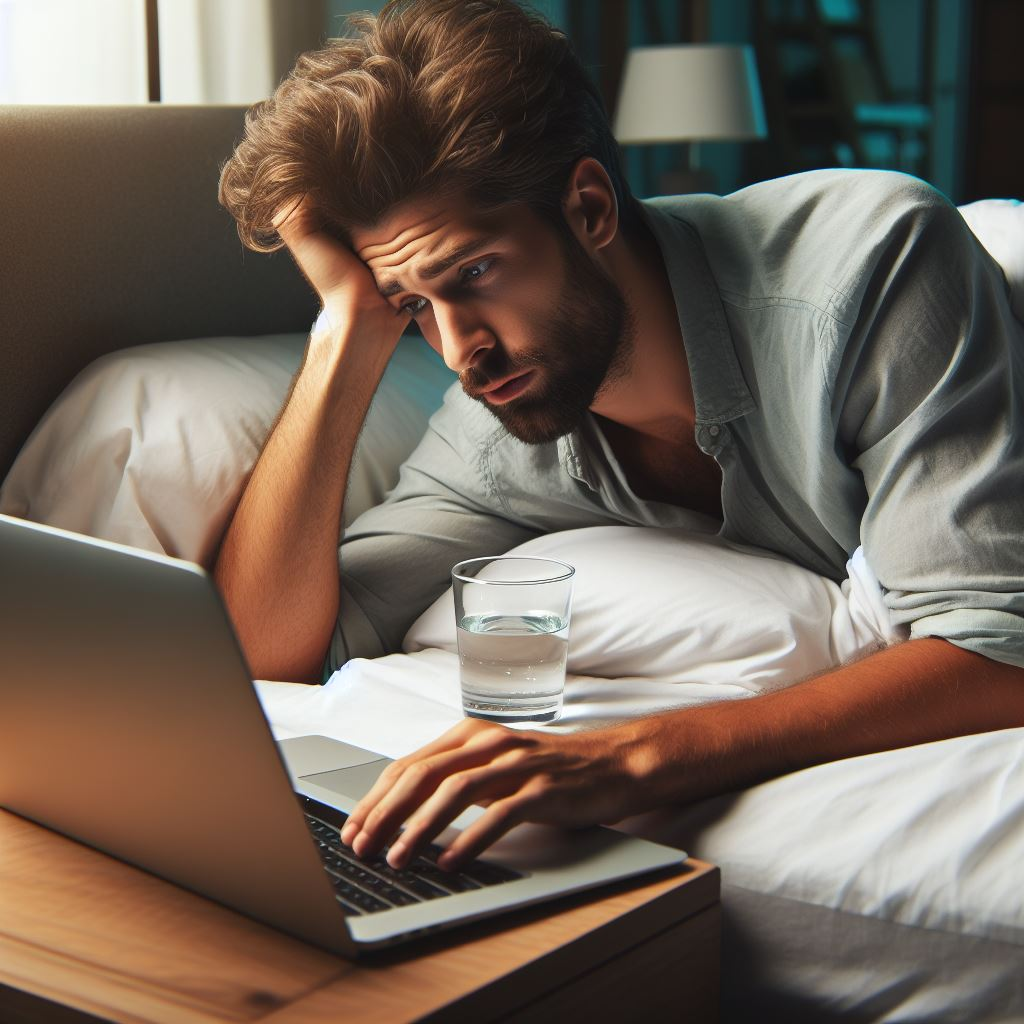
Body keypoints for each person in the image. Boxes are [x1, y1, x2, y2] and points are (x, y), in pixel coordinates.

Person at [215, 0, 1024, 873]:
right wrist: (347, 332)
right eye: (415, 306)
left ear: (591, 207)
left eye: (476, 274)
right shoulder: (497, 432)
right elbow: (263, 655)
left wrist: (636, 756)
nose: (458, 352)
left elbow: (996, 647)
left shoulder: (871, 266)